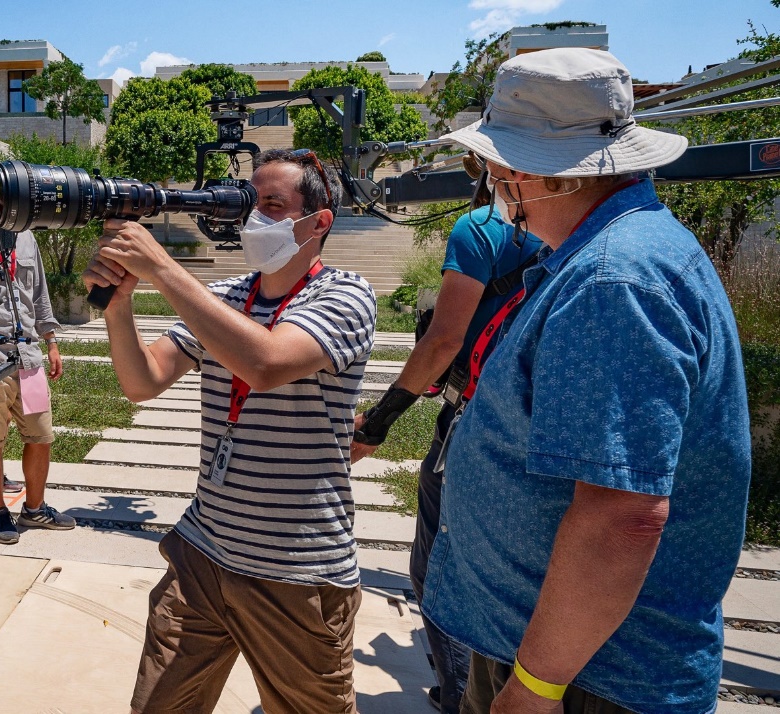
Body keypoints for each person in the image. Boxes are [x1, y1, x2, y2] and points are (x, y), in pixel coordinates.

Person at [420, 48, 751, 714]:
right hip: (567, 663)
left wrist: (534, 687)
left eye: (488, 163)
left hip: (584, 682)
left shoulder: (611, 281)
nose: (489, 181)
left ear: (523, 171)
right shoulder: (609, 256)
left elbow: (620, 517)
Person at [85, 149, 377, 713]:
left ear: (318, 222)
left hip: (296, 570)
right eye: (253, 203)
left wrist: (165, 269)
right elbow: (143, 381)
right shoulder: (226, 298)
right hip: (204, 552)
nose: (256, 220)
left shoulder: (344, 295)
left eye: (273, 205)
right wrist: (119, 307)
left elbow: (265, 364)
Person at [350, 192, 542, 712]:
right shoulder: (580, 233)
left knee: (438, 569)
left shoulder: (481, 227)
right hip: (538, 427)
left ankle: (461, 697)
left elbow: (442, 342)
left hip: (476, 422)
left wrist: (377, 422)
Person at [0, 163, 69, 545]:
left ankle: (35, 508)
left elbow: (38, 295)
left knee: (40, 435)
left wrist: (52, 340)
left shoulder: (26, 237)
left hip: (28, 357)